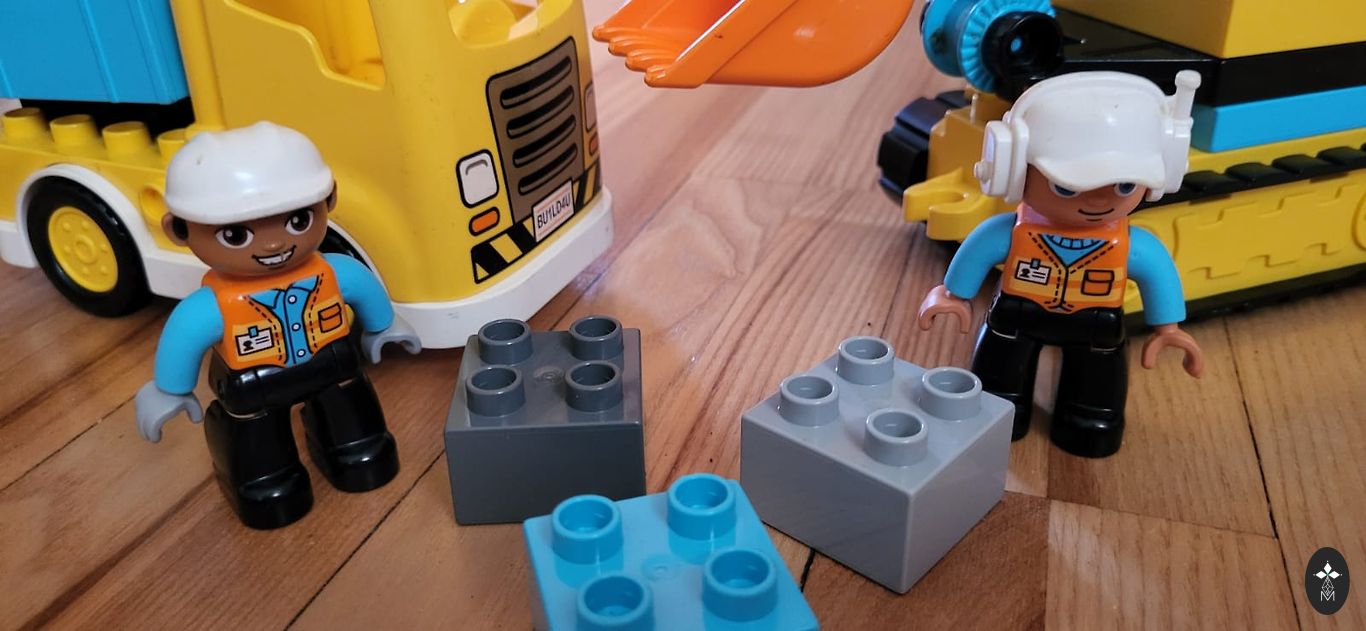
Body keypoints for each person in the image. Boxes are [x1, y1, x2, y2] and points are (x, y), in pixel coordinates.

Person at [134, 121, 420, 528]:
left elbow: (364, 289)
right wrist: (170, 389)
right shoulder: (212, 306)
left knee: (355, 425)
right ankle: (265, 481)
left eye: (298, 220)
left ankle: (355, 449)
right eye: (236, 234)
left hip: (333, 365)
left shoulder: (334, 272)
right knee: (259, 450)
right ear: (178, 230)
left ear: (329, 200)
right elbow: (184, 335)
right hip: (255, 387)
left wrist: (384, 326)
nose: (273, 244)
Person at [918, 71, 1205, 458]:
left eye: (1124, 185)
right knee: (997, 386)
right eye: (1066, 187)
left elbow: (1158, 276)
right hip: (1017, 316)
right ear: (1011, 169)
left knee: (1095, 395)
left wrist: (1168, 328)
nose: (1098, 200)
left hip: (1096, 327)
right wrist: (953, 295)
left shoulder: (1132, 246)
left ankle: (1089, 418)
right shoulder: (1013, 232)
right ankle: (999, 410)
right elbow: (978, 251)